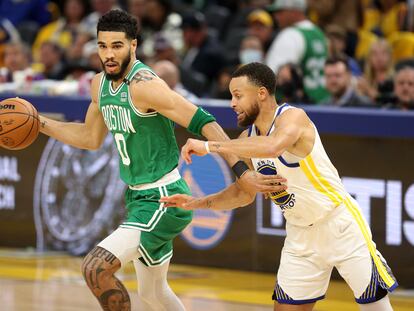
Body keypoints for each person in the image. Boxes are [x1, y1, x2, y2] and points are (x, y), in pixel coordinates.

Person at [37, 10, 283, 311]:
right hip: (138, 197)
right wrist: (39, 123)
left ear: (133, 46)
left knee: (95, 268)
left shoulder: (144, 85)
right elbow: (89, 137)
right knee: (154, 294)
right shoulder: (99, 85)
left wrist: (242, 172)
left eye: (117, 45)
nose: (109, 54)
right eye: (103, 46)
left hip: (163, 197)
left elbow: (204, 121)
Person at [161, 62, 398, 311]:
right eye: (231, 96)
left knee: (375, 307)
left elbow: (274, 146)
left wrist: (210, 146)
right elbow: (243, 193)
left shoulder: (293, 117)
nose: (232, 103)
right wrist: (196, 203)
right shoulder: (247, 140)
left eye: (238, 96)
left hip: (340, 224)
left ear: (261, 93)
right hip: (300, 234)